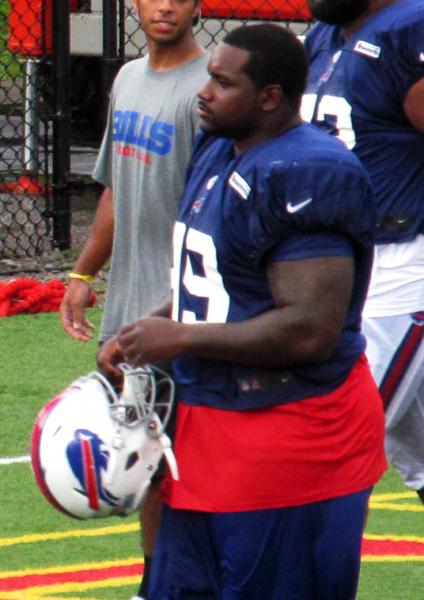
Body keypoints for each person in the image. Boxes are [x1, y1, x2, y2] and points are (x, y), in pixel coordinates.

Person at [98, 24, 387, 599]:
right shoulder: (219, 147)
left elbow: (310, 329)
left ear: (270, 96)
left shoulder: (305, 171)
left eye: (223, 82)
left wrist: (178, 338)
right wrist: (145, 331)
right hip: (212, 431)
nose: (205, 91)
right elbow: (213, 280)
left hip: (289, 439)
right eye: (209, 76)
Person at [59, 1, 209, 598]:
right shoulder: (126, 79)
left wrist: (178, 306)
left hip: (184, 312)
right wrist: (81, 272)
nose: (164, 5)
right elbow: (116, 189)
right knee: (147, 460)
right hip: (127, 307)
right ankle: (157, 582)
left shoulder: (211, 88)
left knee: (193, 462)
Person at [302, 0, 424, 504]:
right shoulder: (324, 37)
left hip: (400, 264)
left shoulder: (406, 29)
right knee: (416, 449)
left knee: (327, 443)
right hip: (344, 266)